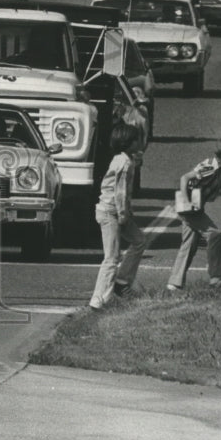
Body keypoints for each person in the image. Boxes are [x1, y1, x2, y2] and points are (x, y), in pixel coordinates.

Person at [166, 137, 221, 292]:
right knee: (214, 234)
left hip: (196, 207)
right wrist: (185, 199)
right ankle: (218, 276)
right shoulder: (210, 168)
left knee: (189, 243)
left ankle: (173, 284)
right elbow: (185, 178)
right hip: (188, 207)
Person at [89, 123, 147, 310]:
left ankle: (122, 281)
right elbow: (120, 192)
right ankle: (98, 301)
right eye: (137, 139)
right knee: (111, 258)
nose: (140, 142)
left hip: (117, 211)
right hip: (110, 212)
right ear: (128, 143)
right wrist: (123, 214)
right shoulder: (124, 162)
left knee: (139, 240)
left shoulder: (122, 159)